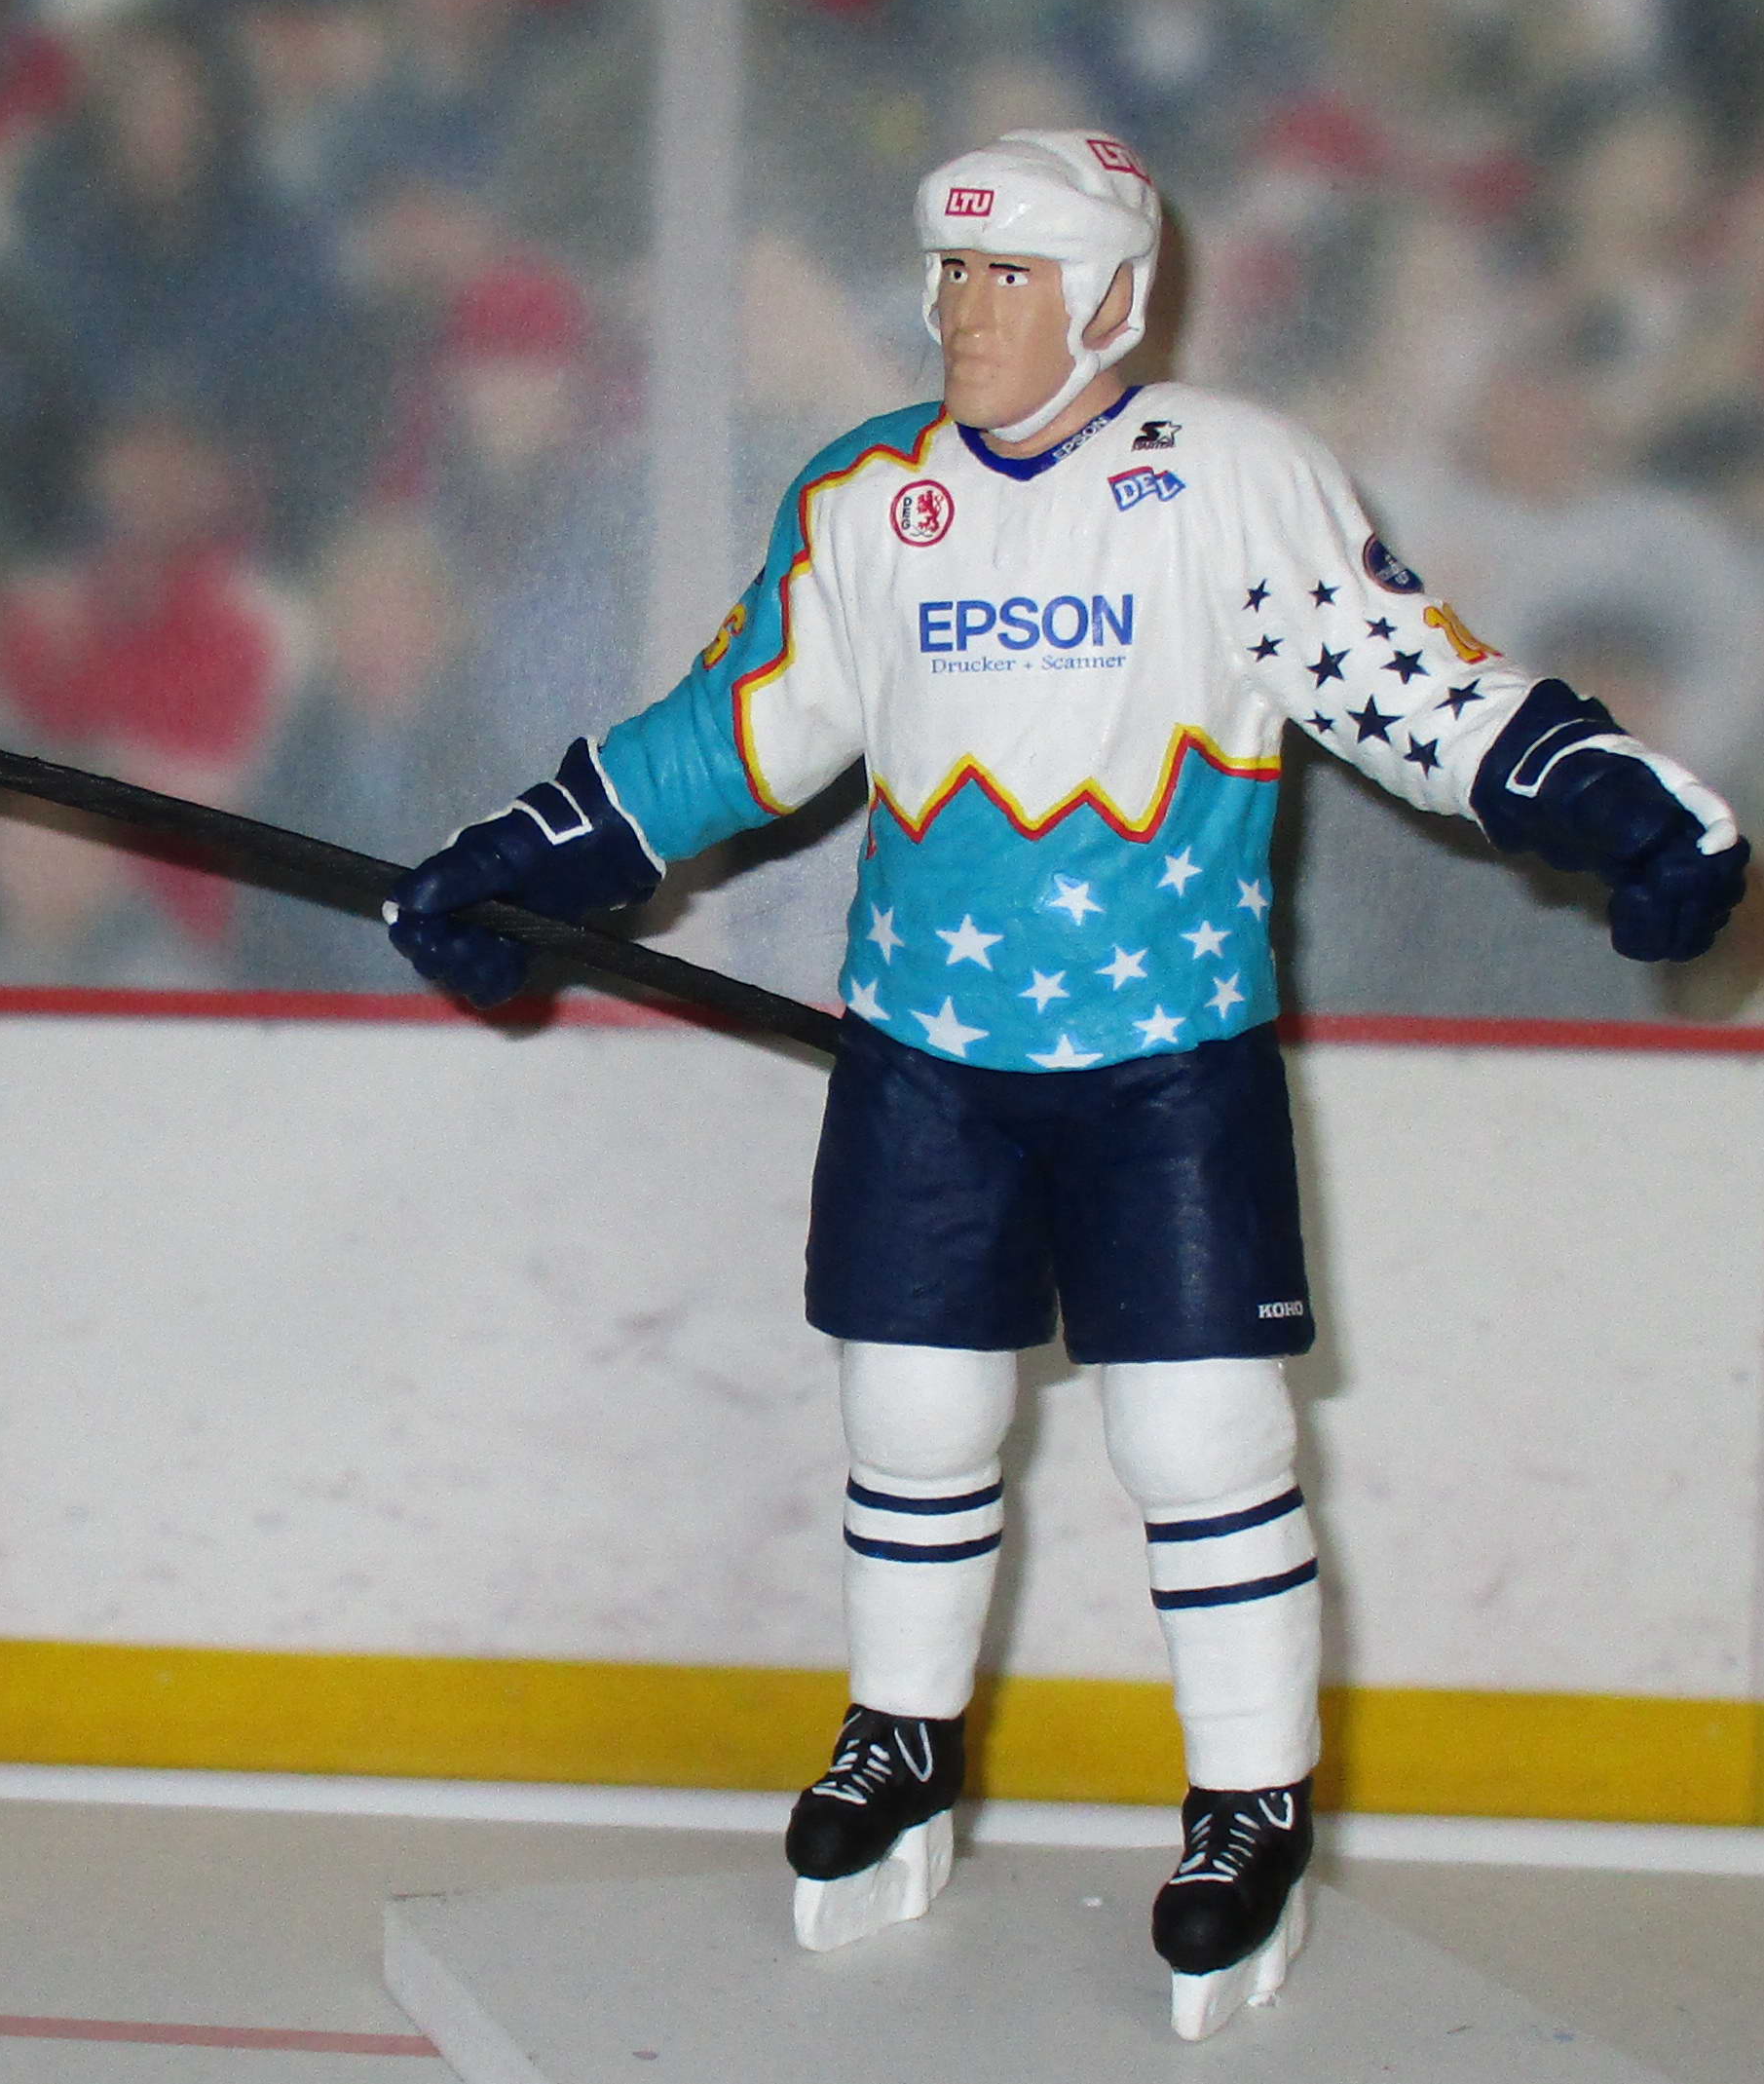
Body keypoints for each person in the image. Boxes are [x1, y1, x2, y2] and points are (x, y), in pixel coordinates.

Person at [385, 130, 1747, 2041]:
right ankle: (898, 1743)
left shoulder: (1228, 479)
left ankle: (1248, 1800)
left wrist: (1609, 798)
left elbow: (1402, 683)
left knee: (1199, 1442)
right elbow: (743, 726)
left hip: (1165, 1057)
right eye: (952, 271)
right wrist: (534, 854)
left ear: (1112, 296)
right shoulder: (871, 497)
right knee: (912, 1415)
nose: (966, 309)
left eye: (1010, 273)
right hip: (922, 1052)